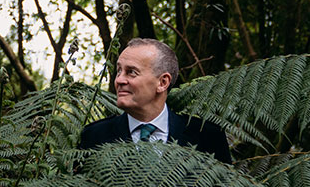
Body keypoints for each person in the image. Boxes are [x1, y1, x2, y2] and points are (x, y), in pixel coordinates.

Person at [78, 37, 231, 162]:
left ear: (162, 83)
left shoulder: (208, 136)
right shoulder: (94, 137)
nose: (119, 80)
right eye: (119, 71)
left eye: (131, 72)